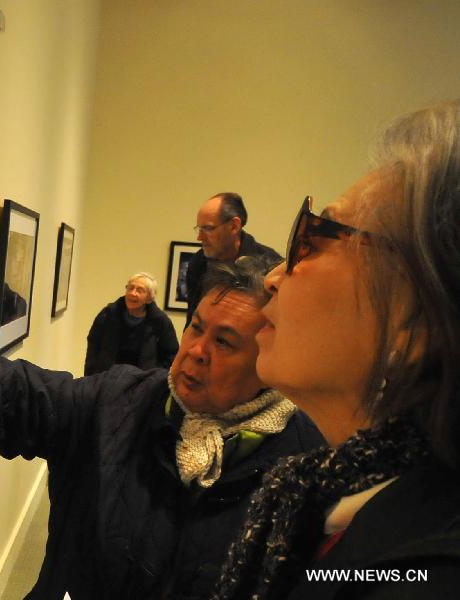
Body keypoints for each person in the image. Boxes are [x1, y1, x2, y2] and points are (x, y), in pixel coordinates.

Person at [0, 257, 324, 599]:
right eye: (196, 326)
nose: (196, 350)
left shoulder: (305, 469)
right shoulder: (122, 399)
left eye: (226, 342)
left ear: (269, 358)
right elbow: (21, 394)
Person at [214, 100, 460, 600]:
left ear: (418, 324)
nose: (276, 277)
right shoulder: (329, 496)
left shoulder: (424, 574)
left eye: (314, 237)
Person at [185, 193, 281, 327]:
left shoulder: (270, 267)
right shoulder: (198, 262)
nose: (199, 237)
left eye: (208, 229)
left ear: (234, 226)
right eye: (199, 229)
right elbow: (191, 322)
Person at [84, 272, 179, 375]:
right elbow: (93, 344)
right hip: (107, 378)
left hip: (142, 383)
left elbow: (171, 355)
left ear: (149, 298)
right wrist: (91, 376)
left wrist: (155, 378)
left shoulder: (160, 321)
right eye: (130, 288)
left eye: (139, 290)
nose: (133, 293)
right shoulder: (109, 314)